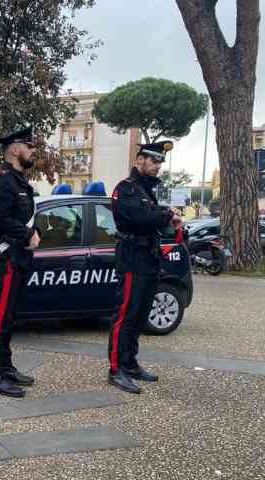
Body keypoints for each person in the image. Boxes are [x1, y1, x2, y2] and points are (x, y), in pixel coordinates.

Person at [108, 140, 183, 394]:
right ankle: (116, 368)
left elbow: (152, 219)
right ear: (139, 160)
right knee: (125, 315)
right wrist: (166, 216)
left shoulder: (145, 191)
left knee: (140, 316)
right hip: (132, 258)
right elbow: (140, 218)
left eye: (160, 162)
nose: (158, 166)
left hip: (148, 258)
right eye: (153, 160)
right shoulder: (126, 188)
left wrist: (165, 217)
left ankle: (130, 363)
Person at [0, 127, 41, 398]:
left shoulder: (19, 181)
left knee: (9, 319)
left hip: (17, 260)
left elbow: (18, 216)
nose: (32, 151)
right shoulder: (4, 182)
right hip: (4, 261)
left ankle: (5, 367)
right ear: (15, 149)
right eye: (29, 146)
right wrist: (27, 233)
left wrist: (33, 232)